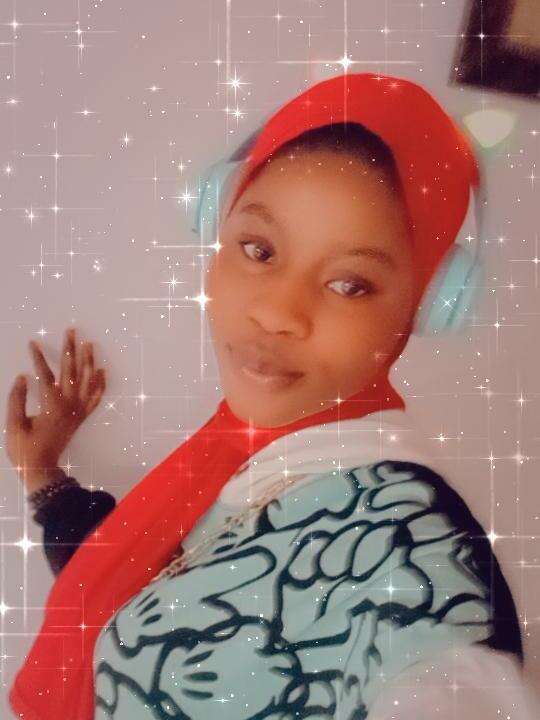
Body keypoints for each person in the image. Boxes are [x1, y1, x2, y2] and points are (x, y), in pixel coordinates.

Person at [6, 73, 538, 720]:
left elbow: (446, 675)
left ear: (424, 306)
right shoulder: (236, 454)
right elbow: (142, 586)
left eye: (350, 284)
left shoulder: (406, 542)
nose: (279, 312)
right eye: (258, 250)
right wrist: (44, 477)